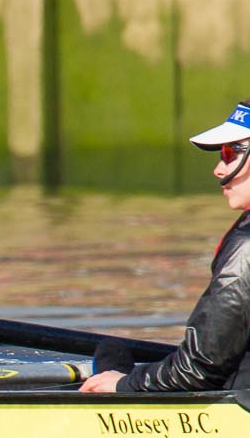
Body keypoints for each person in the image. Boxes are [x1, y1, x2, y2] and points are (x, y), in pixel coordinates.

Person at [82, 100, 250, 393]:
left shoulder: (246, 247)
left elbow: (197, 371)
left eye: (229, 153)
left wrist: (123, 383)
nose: (219, 169)